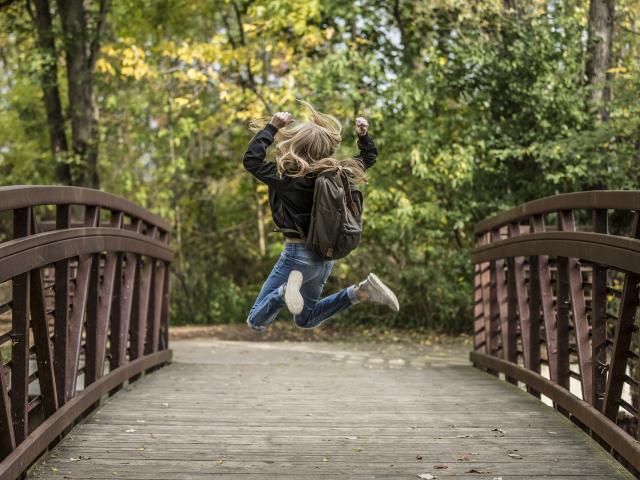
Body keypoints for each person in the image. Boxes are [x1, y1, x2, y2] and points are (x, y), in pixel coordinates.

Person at [243, 101, 399, 332]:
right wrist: (363, 137)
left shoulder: (287, 176)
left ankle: (285, 292)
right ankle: (360, 292)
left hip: (297, 256)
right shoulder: (339, 173)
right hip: (324, 259)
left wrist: (272, 127)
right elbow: (368, 158)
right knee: (306, 319)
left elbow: (251, 160)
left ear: (296, 144)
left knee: (256, 321)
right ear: (325, 147)